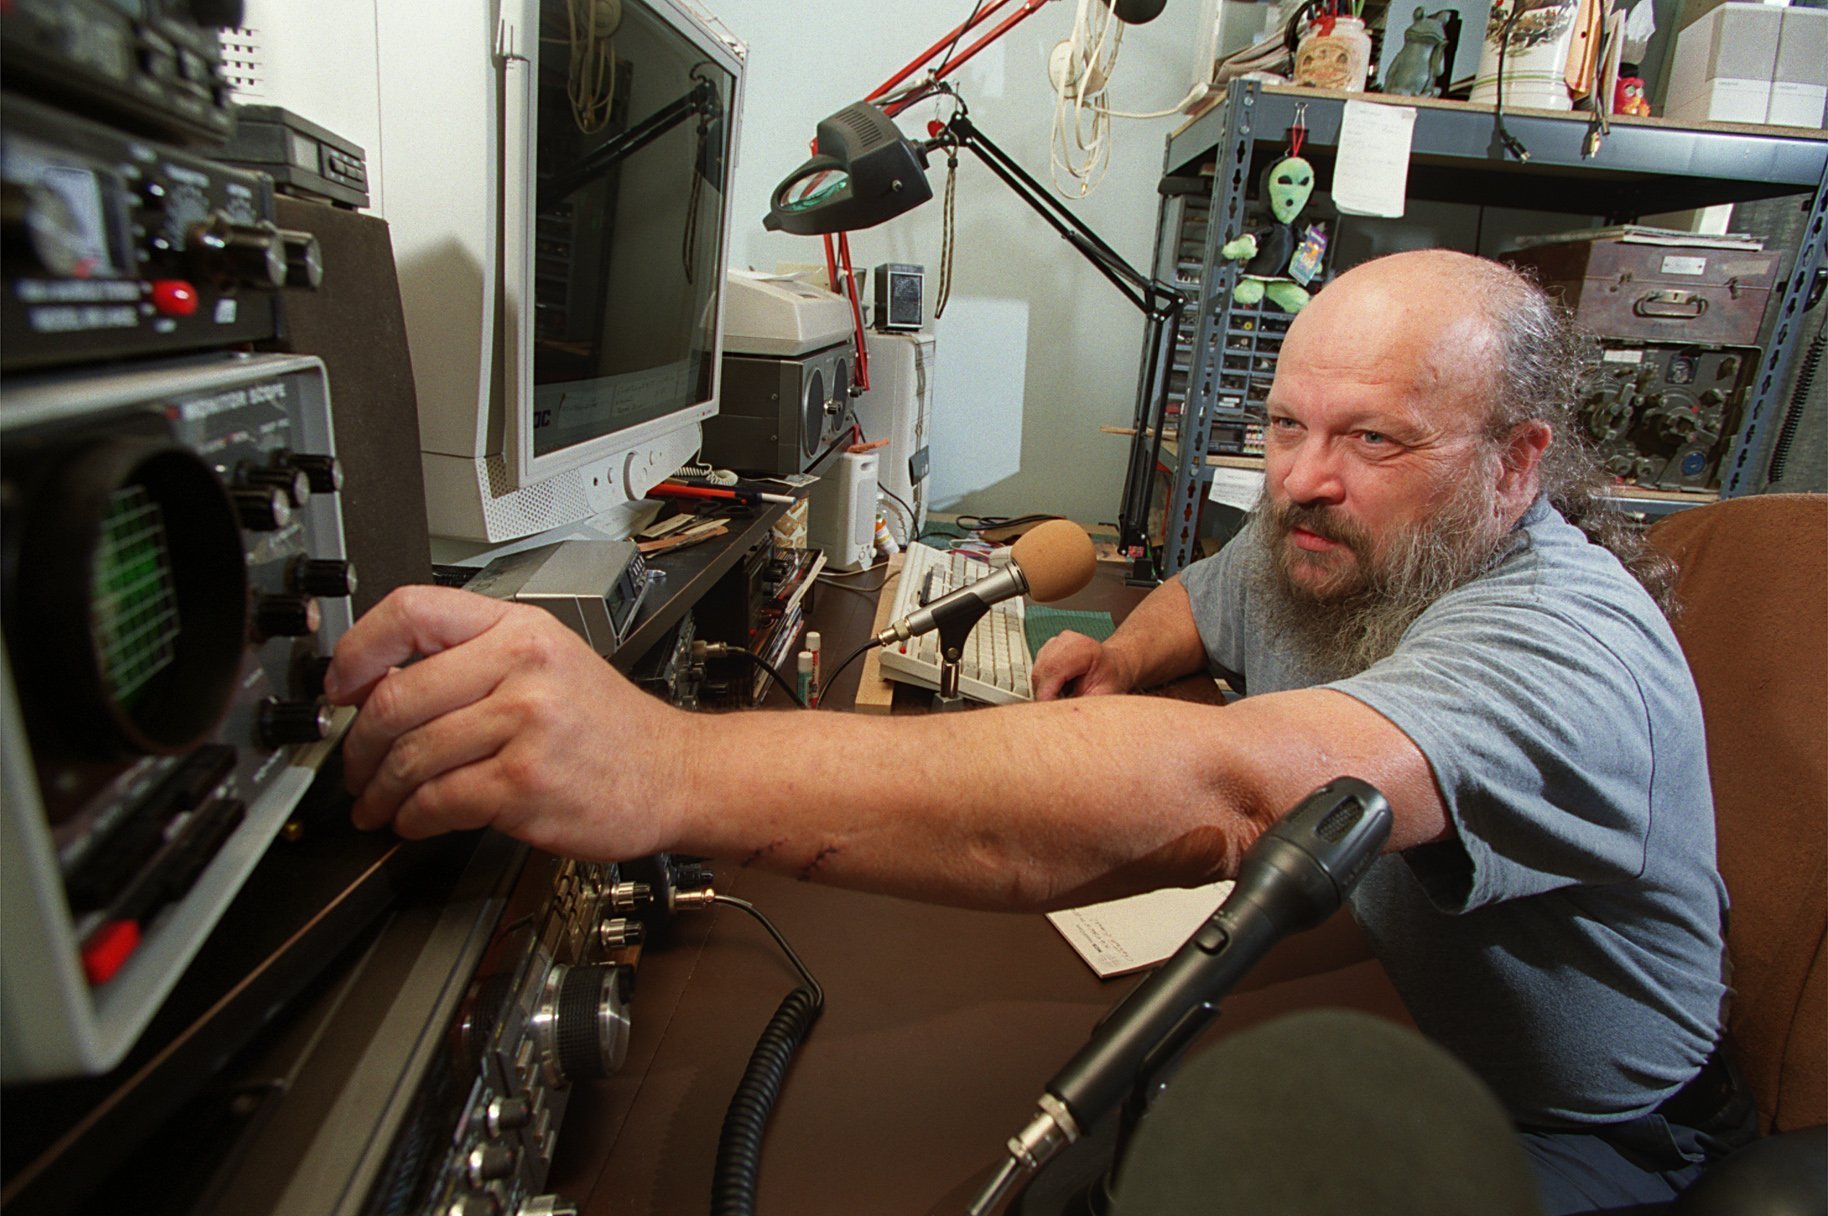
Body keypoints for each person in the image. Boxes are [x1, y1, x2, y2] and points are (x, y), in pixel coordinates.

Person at [325, 250, 1745, 1212]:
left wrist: (657, 762)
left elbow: (1242, 785)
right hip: (1396, 1001)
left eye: (1373, 439)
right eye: (1288, 424)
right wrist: (1122, 652)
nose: (1303, 481)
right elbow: (1219, 585)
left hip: (1567, 1135)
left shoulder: (1570, 651)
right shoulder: (1347, 531)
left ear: (1516, 463)